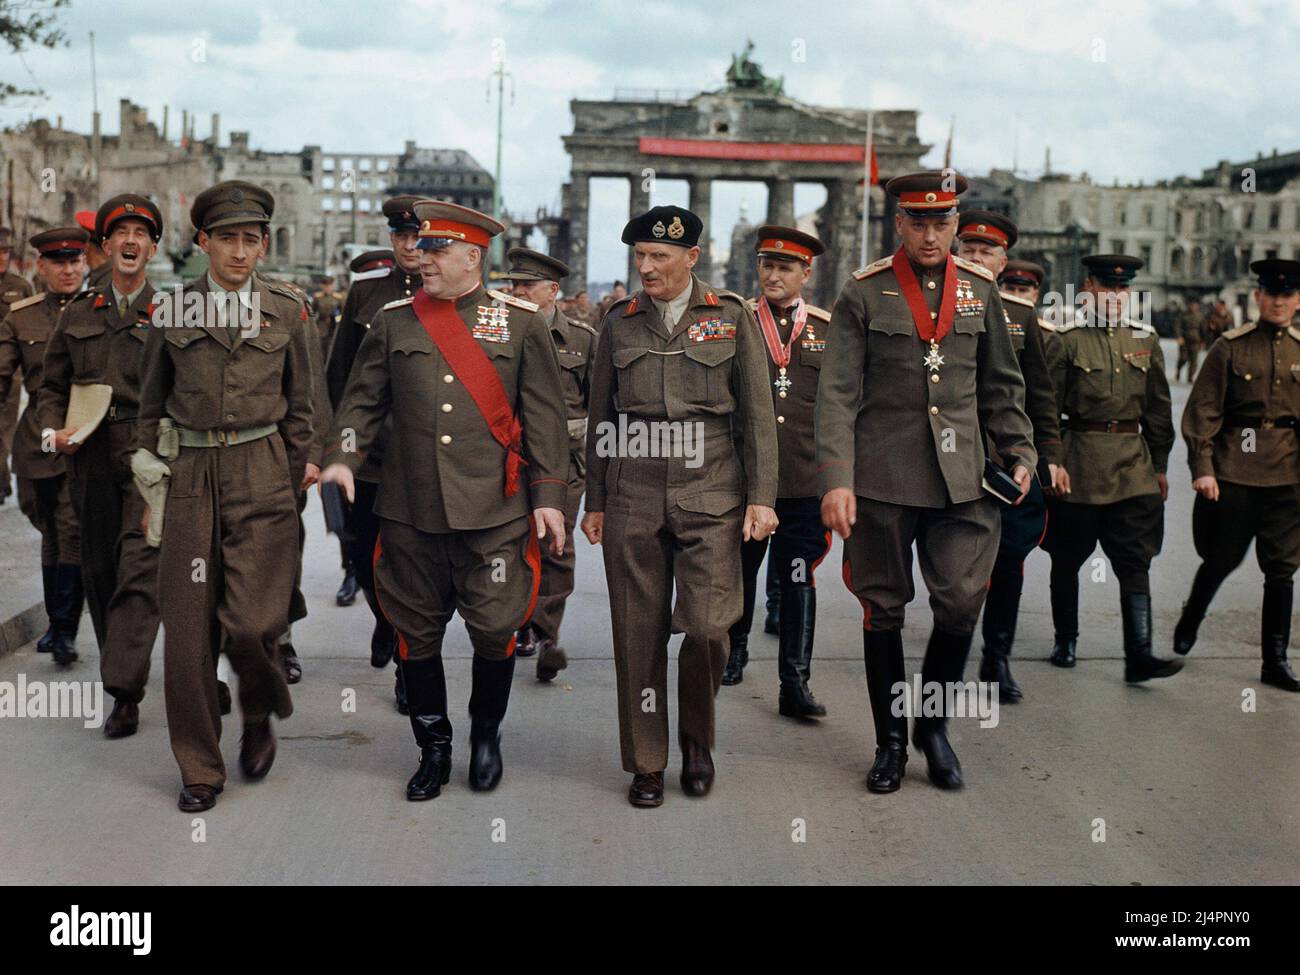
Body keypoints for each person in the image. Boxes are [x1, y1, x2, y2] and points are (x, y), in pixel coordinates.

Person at [322, 200, 569, 801]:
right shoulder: (394, 321)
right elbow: (361, 404)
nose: (421, 258)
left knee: (495, 630)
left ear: (471, 257)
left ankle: (486, 735)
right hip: (411, 511)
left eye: (435, 250)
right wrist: (342, 458)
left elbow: (544, 420)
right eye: (420, 247)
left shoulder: (520, 323)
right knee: (416, 635)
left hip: (494, 513)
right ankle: (432, 747)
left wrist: (549, 498)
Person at [815, 172, 1036, 793]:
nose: (931, 234)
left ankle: (931, 726)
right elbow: (835, 396)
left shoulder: (979, 291)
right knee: (883, 608)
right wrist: (836, 479)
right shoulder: (864, 292)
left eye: (942, 223)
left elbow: (1000, 384)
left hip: (963, 480)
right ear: (901, 224)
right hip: (882, 478)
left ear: (957, 225)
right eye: (919, 222)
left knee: (963, 600)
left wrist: (1019, 448)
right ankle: (889, 743)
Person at [582, 205, 779, 808]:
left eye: (659, 257)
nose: (646, 267)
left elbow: (756, 416)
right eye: (640, 256)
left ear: (691, 259)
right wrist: (595, 500)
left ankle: (697, 738)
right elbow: (600, 418)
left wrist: (762, 497)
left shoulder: (730, 316)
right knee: (636, 632)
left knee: (708, 626)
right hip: (634, 490)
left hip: (710, 488)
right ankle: (646, 762)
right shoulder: (618, 321)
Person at [133, 180, 315, 812]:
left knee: (253, 623)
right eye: (229, 239)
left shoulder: (288, 311)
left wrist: (291, 487)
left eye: (252, 240)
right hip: (189, 473)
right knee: (186, 635)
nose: (241, 252)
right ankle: (200, 769)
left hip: (262, 469)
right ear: (202, 241)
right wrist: (151, 474)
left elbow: (303, 413)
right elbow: (149, 402)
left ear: (264, 245)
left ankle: (258, 707)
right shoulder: (173, 310)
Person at [37, 195, 164, 736]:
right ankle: (126, 681)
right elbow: (51, 386)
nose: (131, 241)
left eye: (142, 233)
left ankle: (122, 686)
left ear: (153, 248)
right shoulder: (77, 312)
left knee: (140, 566)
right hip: (88, 451)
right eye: (121, 234)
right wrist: (51, 432)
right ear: (105, 246)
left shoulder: (172, 313)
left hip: (147, 453)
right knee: (99, 568)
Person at [1044, 254, 1181, 683]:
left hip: (1132, 464)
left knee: (1135, 559)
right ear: (1088, 290)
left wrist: (1159, 466)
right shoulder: (1065, 340)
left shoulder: (1146, 339)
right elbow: (1046, 409)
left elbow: (1158, 409)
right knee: (1068, 557)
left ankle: (1139, 653)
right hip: (1080, 462)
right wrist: (1053, 461)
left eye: (1123, 289)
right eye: (1107, 288)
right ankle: (1066, 639)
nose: (1116, 296)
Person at [721, 224, 832, 720]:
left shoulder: (829, 330)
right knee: (740, 571)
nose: (772, 275)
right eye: (767, 265)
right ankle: (734, 651)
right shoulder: (736, 321)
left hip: (804, 484)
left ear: (806, 273)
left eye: (785, 268)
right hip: (745, 480)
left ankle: (795, 682)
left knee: (796, 578)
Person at [1175, 259, 1300, 692]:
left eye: (1287, 296)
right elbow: (1203, 412)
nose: (1279, 302)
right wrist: (1203, 469)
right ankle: (1191, 618)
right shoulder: (1230, 347)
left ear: (1297, 301)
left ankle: (1275, 661)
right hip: (1235, 473)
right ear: (1258, 297)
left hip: (1288, 478)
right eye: (1272, 295)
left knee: (1282, 569)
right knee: (1222, 559)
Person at [955, 211, 1062, 703]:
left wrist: (1048, 456)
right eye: (969, 250)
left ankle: (997, 656)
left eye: (986, 253)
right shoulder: (937, 307)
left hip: (1007, 466)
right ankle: (949, 651)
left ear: (1002, 262)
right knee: (954, 566)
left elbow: (1040, 396)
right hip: (951, 461)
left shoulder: (1020, 317)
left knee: (1009, 562)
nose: (976, 259)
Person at [324, 203, 424, 711]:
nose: (409, 246)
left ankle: (410, 667)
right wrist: (336, 448)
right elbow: (339, 375)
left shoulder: (444, 294)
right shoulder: (366, 294)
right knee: (364, 558)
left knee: (408, 569)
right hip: (370, 457)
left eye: (418, 237)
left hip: (422, 461)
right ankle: (383, 622)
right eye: (400, 237)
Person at [503, 247, 597, 682]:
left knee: (555, 542)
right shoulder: (496, 331)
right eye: (514, 284)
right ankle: (517, 623)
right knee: (509, 543)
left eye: (528, 285)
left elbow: (600, 407)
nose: (518, 291)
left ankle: (546, 634)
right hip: (507, 459)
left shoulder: (581, 340)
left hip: (565, 461)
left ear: (553, 291)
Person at [0, 227, 89, 664]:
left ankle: (66, 629)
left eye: (75, 261)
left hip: (85, 439)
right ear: (41, 268)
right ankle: (57, 625)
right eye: (58, 262)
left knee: (71, 530)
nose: (68, 269)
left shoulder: (99, 312)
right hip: (37, 443)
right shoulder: (22, 316)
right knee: (50, 530)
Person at [0, 225, 34, 507]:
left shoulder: (20, 287)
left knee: (5, 426)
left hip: (10, 371)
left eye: (5, 252)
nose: (2, 257)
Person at [1173, 298, 1208, 382]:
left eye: (1195, 305)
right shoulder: (1183, 315)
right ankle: (1178, 370)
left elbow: (1203, 329)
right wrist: (1179, 337)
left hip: (1195, 341)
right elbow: (1177, 326)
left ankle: (1190, 377)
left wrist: (1203, 341)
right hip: (1185, 341)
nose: (1193, 307)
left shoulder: (1200, 316)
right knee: (1183, 358)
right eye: (1191, 305)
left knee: (1194, 361)